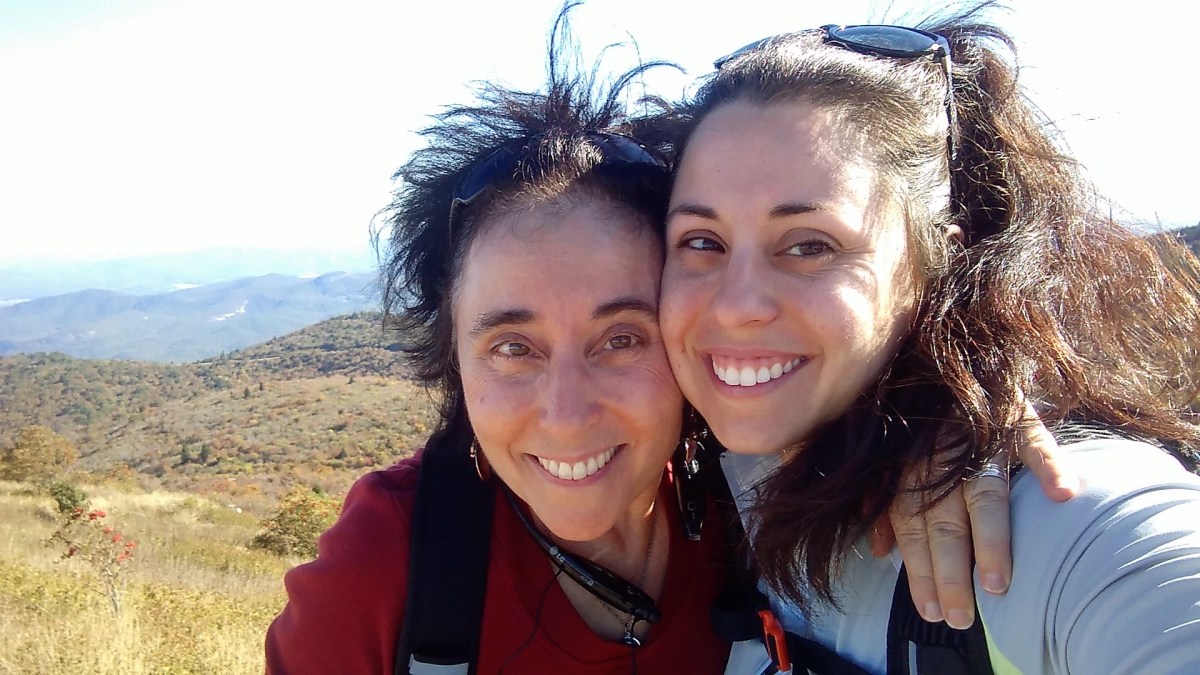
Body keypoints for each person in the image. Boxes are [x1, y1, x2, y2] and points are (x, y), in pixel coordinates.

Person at [264, 6, 1074, 674]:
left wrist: (949, 405)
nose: (567, 413)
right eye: (513, 347)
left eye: (622, 337)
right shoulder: (389, 563)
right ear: (453, 356)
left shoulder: (765, 497)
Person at [658, 5, 1200, 674]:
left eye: (809, 245)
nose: (737, 304)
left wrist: (964, 411)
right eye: (701, 242)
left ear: (935, 263)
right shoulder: (709, 484)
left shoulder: (1062, 521)